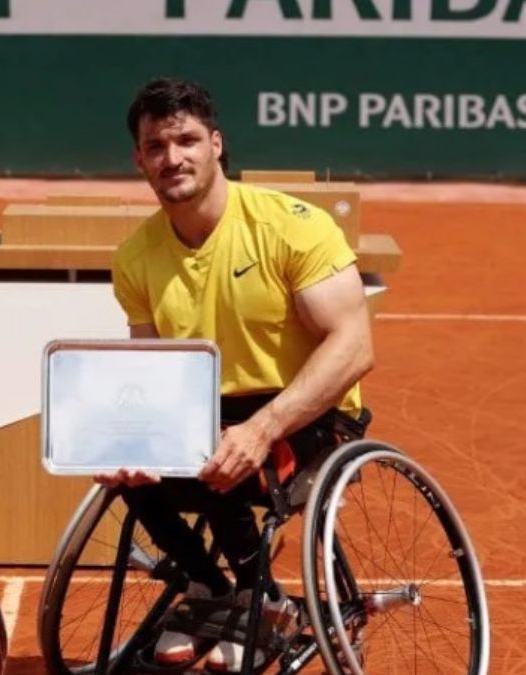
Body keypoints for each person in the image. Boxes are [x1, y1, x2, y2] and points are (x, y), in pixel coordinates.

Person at [97, 78, 374, 672]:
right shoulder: (135, 257)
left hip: (310, 413)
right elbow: (150, 374)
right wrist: (126, 439)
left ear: (216, 144)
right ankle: (221, 591)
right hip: (211, 414)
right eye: (156, 147)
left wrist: (263, 428)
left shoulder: (289, 226)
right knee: (128, 468)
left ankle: (259, 599)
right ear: (139, 159)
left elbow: (353, 346)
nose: (173, 157)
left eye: (187, 140)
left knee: (218, 455)